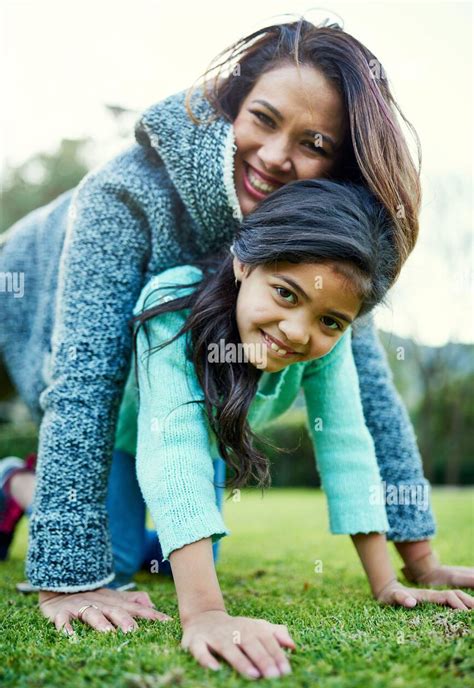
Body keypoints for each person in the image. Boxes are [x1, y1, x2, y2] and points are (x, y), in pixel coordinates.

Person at [0, 20, 471, 613]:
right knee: (105, 554)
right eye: (264, 119)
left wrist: (418, 559)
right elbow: (83, 383)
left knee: (173, 551)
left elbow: (365, 410)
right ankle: (18, 484)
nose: (275, 158)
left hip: (180, 404)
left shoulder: (323, 258)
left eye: (315, 144)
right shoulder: (124, 196)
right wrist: (67, 576)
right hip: (25, 281)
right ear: (233, 107)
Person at [44, 179, 473, 681]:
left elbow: (346, 444)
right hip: (127, 443)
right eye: (285, 293)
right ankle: (20, 485)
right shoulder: (174, 299)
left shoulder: (324, 346)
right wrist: (204, 613)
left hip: (205, 448)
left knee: (188, 550)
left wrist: (386, 583)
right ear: (244, 263)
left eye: (331, 321)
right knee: (113, 563)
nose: (297, 330)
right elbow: (173, 445)